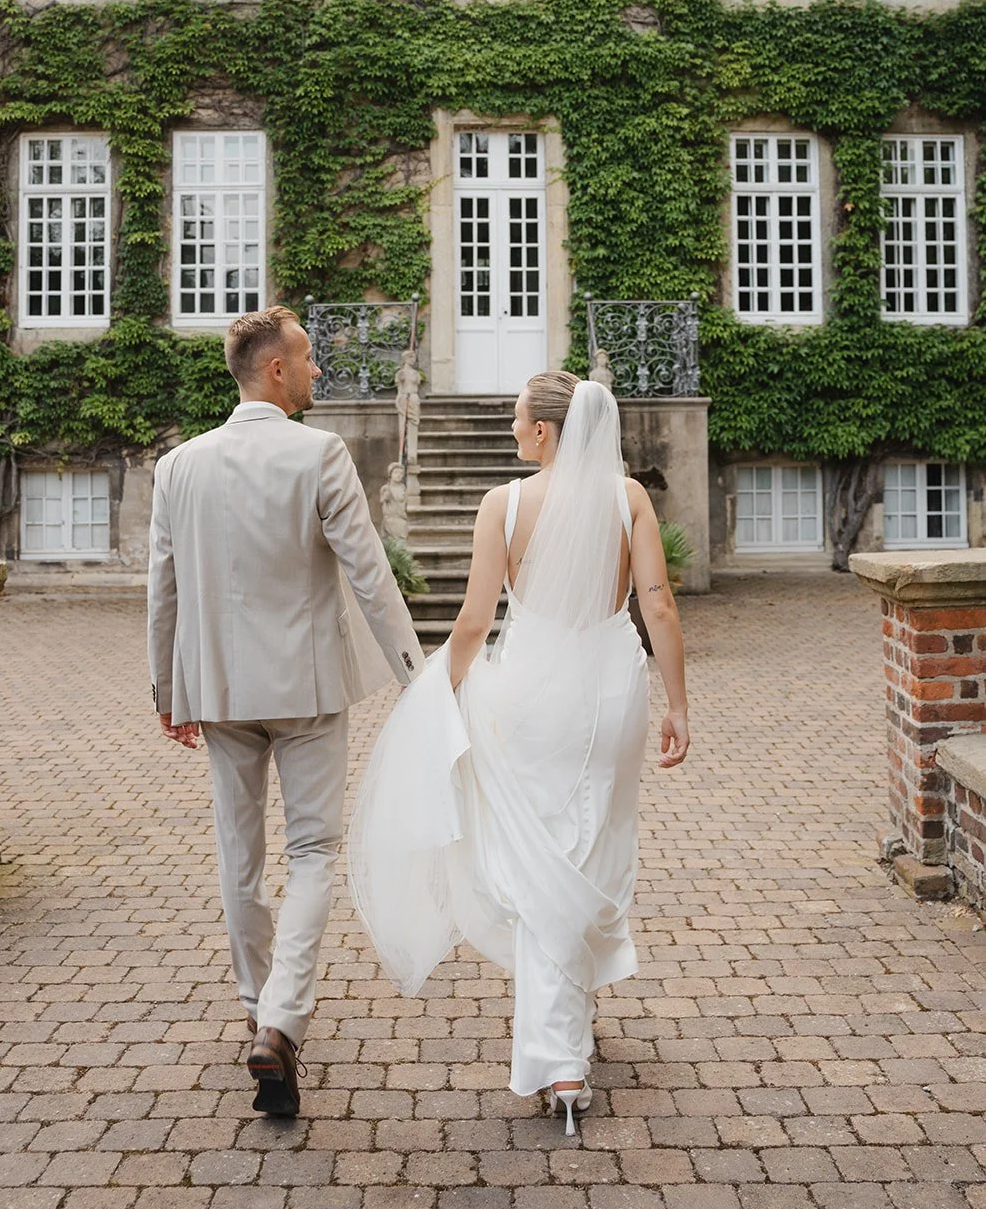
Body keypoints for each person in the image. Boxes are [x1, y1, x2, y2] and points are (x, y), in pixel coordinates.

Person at [348, 371, 690, 1132]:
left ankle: (559, 1062)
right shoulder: (625, 496)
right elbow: (657, 603)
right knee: (591, 840)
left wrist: (443, 684)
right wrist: (678, 703)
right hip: (612, 683)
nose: (509, 430)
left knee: (542, 858)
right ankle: (569, 1026)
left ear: (542, 431)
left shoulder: (504, 506)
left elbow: (474, 620)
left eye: (515, 419)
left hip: (535, 688)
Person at [148, 306, 424, 1119]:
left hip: (220, 689)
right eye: (306, 359)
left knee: (239, 854)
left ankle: (253, 1004)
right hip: (305, 690)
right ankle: (280, 1020)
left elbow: (161, 587)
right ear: (273, 370)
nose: (314, 372)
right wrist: (418, 676)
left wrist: (167, 687)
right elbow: (369, 574)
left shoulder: (179, 466)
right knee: (311, 852)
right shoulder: (318, 454)